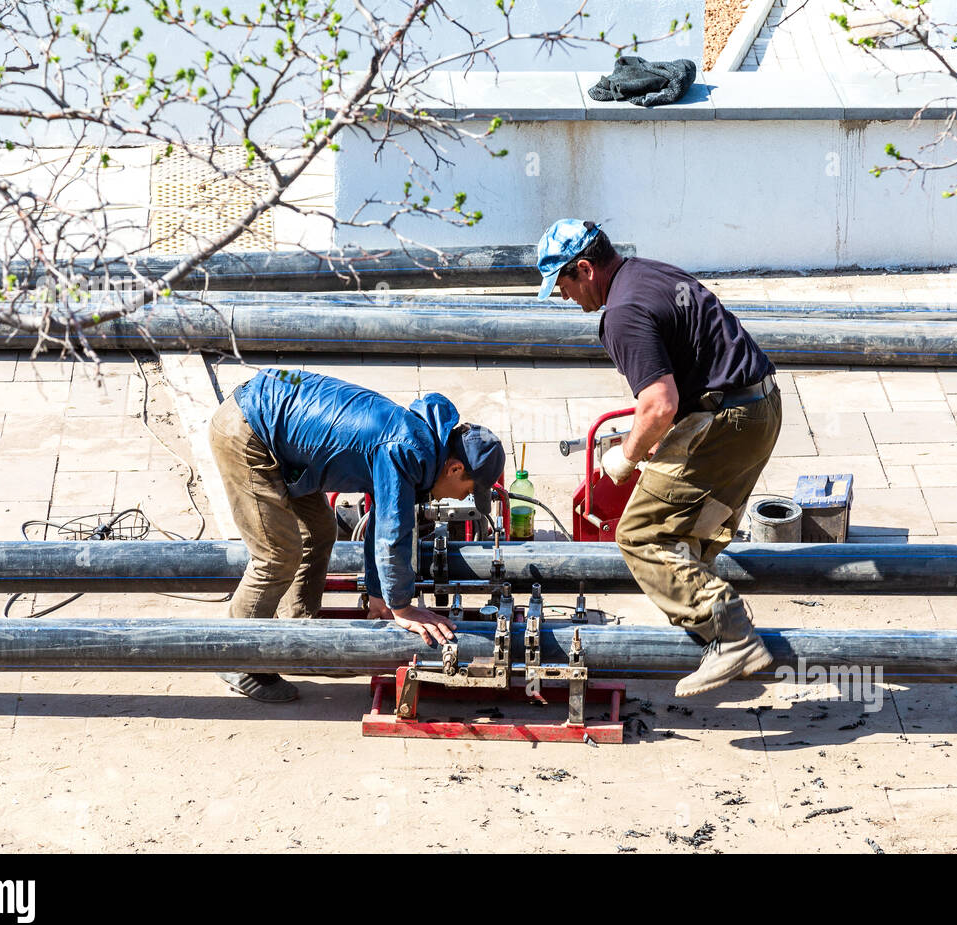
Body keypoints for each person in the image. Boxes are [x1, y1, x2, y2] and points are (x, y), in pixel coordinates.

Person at [536, 218, 783, 697]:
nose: (564, 297)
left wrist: (625, 458)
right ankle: (711, 635)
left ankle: (732, 634)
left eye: (562, 285)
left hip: (726, 422)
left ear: (584, 269)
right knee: (696, 526)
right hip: (761, 410)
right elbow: (681, 381)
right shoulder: (650, 273)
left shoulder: (621, 312)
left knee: (639, 533)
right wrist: (646, 437)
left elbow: (660, 404)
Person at [208, 368, 505, 702]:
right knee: (277, 554)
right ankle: (232, 655)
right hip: (250, 430)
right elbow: (393, 534)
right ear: (455, 469)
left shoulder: (421, 441)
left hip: (282, 428)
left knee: (319, 531)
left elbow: (382, 521)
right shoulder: (407, 449)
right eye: (466, 491)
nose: (460, 499)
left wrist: (382, 595)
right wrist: (403, 608)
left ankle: (293, 628)